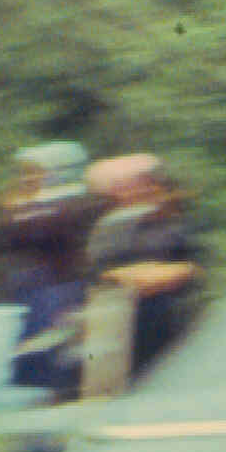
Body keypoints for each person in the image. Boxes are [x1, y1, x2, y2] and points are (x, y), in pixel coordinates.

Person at [83, 154, 204, 381]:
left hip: (171, 311)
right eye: (125, 186)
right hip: (121, 317)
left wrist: (162, 275)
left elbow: (193, 265)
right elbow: (99, 269)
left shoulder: (176, 221)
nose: (133, 191)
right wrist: (134, 276)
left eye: (142, 184)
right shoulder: (110, 227)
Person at [0, 140, 98, 396]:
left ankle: (57, 387)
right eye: (25, 172)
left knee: (55, 338)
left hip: (60, 283)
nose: (27, 178)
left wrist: (19, 212)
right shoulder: (30, 203)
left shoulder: (75, 200)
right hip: (29, 283)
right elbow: (7, 237)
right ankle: (30, 388)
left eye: (34, 171)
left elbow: (40, 230)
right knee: (28, 339)